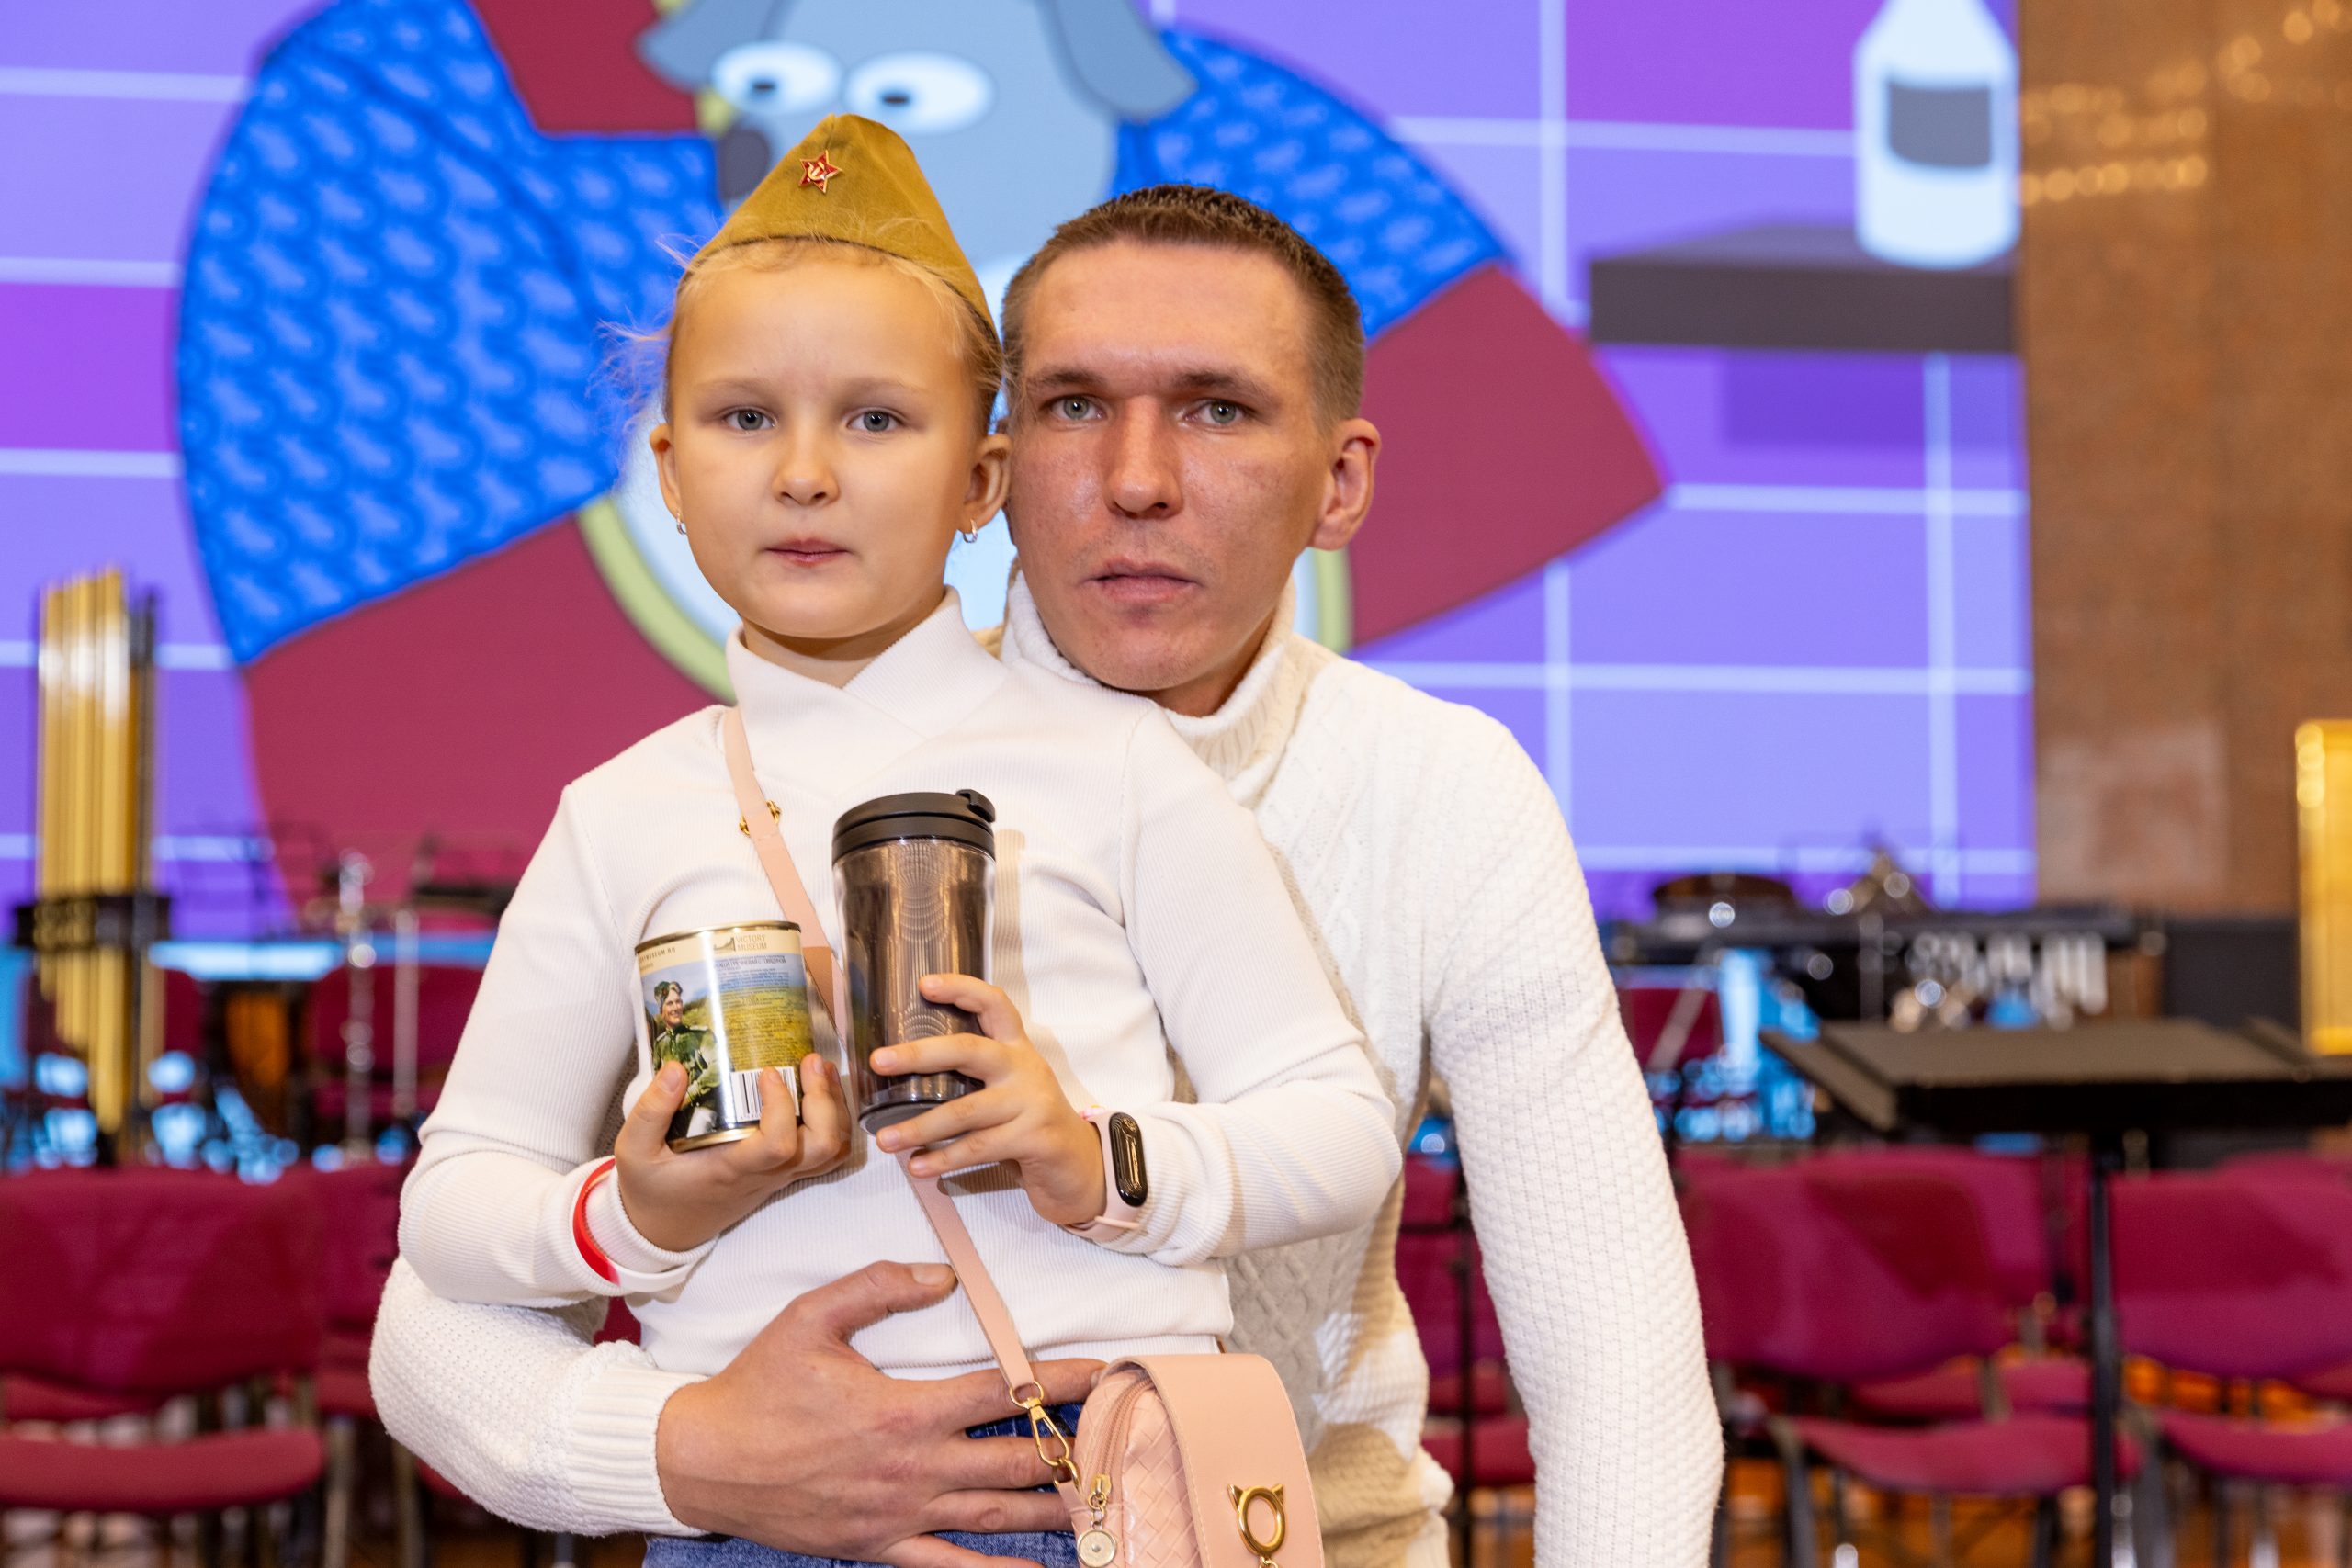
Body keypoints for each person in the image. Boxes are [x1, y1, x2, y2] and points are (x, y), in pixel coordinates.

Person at [374, 185, 1721, 1567]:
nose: (1137, 479)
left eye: (1217, 409)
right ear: (1001, 466)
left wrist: (1098, 1159)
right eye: (1075, 405)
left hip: (1287, 1534)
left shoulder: (1436, 784)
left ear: (1340, 481)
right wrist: (697, 1454)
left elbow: (1614, 1350)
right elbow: (432, 1315)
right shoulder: (683, 793)